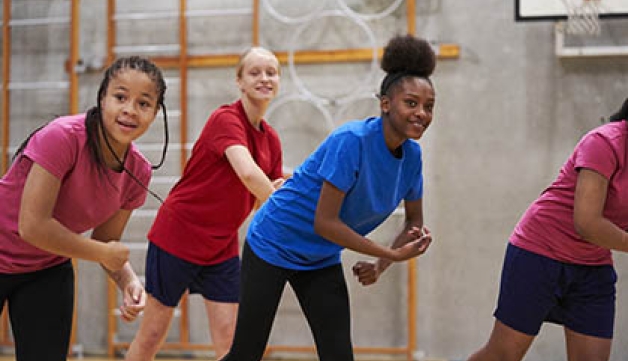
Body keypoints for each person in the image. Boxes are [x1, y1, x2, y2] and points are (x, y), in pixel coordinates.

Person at [219, 34, 435, 361]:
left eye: (428, 106)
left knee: (338, 355)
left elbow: (414, 223)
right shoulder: (351, 140)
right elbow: (326, 223)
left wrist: (379, 265)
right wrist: (385, 252)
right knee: (246, 354)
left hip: (319, 258)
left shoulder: (413, 157)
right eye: (411, 103)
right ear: (386, 103)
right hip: (273, 242)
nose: (421, 113)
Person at [0, 56, 168, 361]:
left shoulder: (138, 170)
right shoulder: (62, 136)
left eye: (144, 103)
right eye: (120, 97)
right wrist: (102, 253)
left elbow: (105, 241)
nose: (130, 110)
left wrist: (129, 281)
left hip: (46, 269)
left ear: (155, 113)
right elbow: (33, 226)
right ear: (102, 98)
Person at [125, 47, 284, 361]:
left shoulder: (272, 139)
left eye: (271, 72)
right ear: (239, 81)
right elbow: (251, 175)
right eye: (255, 72)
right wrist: (286, 204)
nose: (264, 78)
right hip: (178, 236)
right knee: (153, 335)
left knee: (230, 342)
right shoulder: (225, 119)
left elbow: (265, 198)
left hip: (221, 246)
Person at [466, 97, 628, 361]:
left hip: (593, 265)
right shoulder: (604, 142)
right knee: (503, 355)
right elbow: (587, 223)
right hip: (539, 252)